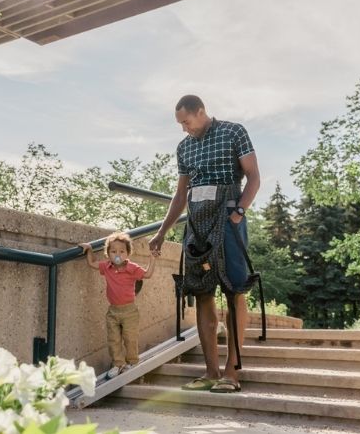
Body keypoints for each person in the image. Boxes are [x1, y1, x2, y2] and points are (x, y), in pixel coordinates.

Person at [149, 95, 260, 393]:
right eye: (180, 124)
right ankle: (210, 372)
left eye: (186, 121)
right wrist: (162, 232)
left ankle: (231, 372)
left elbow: (253, 177)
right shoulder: (184, 147)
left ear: (201, 111)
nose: (184, 129)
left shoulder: (233, 132)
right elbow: (181, 194)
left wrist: (239, 212)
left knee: (235, 288)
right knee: (201, 291)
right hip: (197, 221)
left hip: (228, 217)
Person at [79, 232, 157, 378]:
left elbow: (147, 274)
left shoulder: (132, 268)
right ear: (108, 253)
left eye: (122, 251)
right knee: (113, 339)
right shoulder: (106, 267)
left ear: (128, 253)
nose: (117, 254)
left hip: (129, 311)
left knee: (130, 338)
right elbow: (92, 263)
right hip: (113, 311)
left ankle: (132, 362)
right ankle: (117, 364)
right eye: (113, 251)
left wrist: (152, 258)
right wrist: (89, 249)